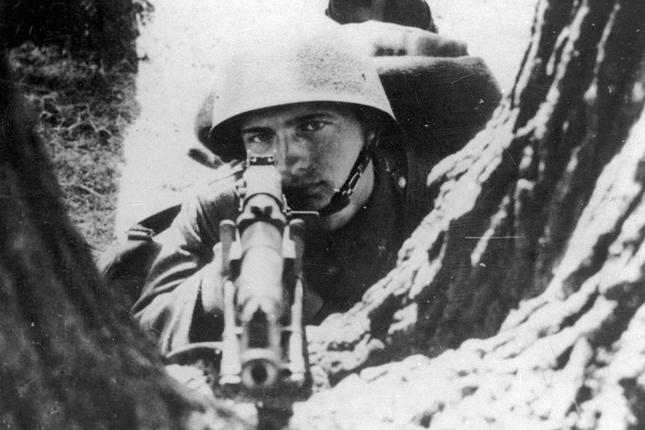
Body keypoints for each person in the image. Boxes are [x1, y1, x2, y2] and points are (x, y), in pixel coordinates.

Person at [129, 8, 500, 355]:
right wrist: (214, 289)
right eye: (260, 136)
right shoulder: (219, 208)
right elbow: (138, 331)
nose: (289, 159)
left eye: (312, 126)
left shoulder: (443, 191)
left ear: (371, 130)